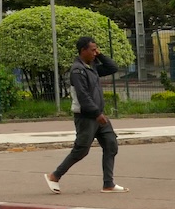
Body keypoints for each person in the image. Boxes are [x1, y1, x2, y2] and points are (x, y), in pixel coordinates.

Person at [45, 36, 127, 194]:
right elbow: (83, 96)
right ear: (83, 50)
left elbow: (112, 68)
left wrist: (100, 55)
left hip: (98, 116)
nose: (95, 53)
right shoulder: (77, 70)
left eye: (96, 49)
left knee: (111, 145)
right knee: (81, 150)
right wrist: (96, 113)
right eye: (92, 50)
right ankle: (54, 176)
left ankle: (108, 184)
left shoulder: (92, 67)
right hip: (86, 117)